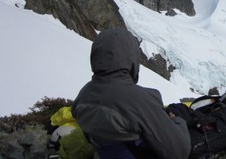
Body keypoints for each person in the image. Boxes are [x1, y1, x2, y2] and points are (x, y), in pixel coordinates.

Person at [72, 28, 191, 159]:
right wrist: (178, 121)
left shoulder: (83, 96)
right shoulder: (141, 101)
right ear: (131, 59)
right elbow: (179, 152)